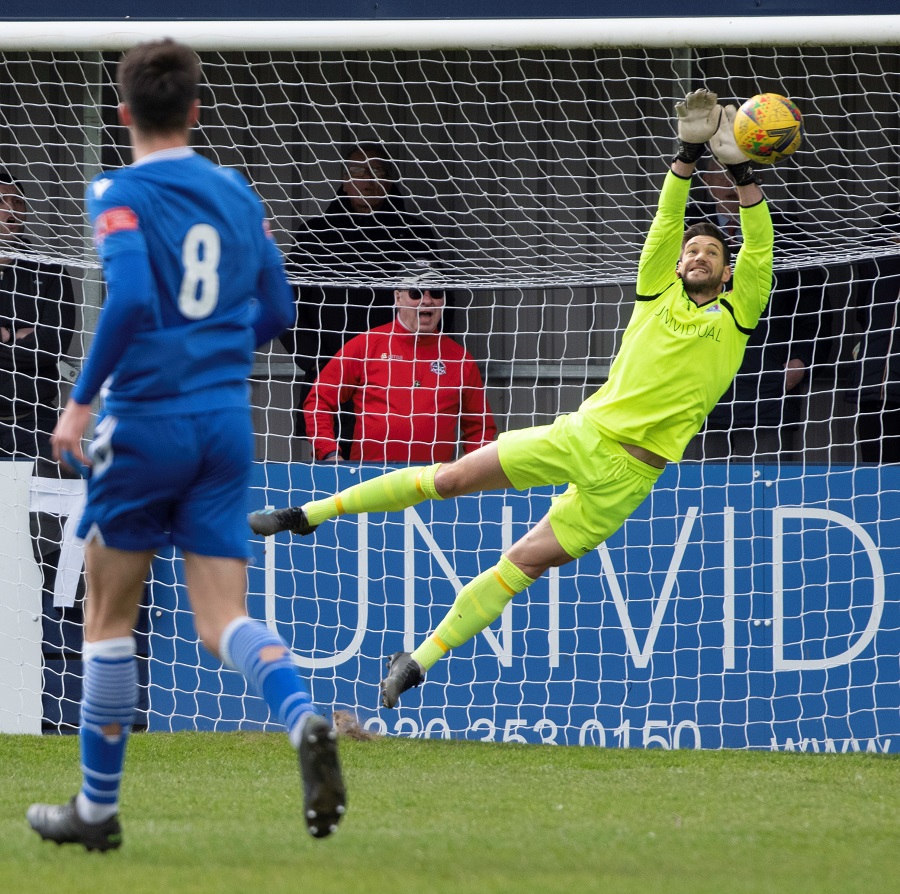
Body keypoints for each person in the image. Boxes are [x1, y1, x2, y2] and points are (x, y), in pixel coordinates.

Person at [249, 88, 775, 711]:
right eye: (692, 249)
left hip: (633, 476)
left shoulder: (738, 313)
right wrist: (686, 156)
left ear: (728, 270)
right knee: (448, 481)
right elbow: (666, 219)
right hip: (584, 436)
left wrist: (739, 172)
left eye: (710, 252)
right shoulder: (655, 291)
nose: (696, 254)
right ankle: (307, 514)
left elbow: (759, 240)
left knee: (523, 563)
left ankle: (417, 662)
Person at [26, 38, 345, 852]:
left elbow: (129, 293)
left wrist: (78, 403)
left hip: (145, 421)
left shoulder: (117, 190)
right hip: (223, 424)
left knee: (107, 617)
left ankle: (97, 811)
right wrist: (215, 346)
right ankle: (304, 715)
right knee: (223, 618)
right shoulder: (236, 194)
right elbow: (280, 305)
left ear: (124, 113)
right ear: (197, 110)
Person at [280, 144, 449, 456]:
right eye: (357, 172)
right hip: (330, 377)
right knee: (336, 481)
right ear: (343, 180)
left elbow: (437, 304)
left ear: (389, 181)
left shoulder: (415, 235)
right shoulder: (315, 235)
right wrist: (319, 363)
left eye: (376, 172)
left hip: (401, 382)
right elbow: (287, 305)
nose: (366, 180)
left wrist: (421, 367)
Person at [685, 159, 832, 461]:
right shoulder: (685, 230)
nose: (727, 180)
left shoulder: (788, 233)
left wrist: (801, 361)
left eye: (734, 170)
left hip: (768, 384)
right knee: (698, 490)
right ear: (705, 178)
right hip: (696, 384)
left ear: (754, 174)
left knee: (767, 491)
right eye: (719, 170)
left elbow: (814, 309)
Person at [304, 267, 496, 463]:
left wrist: (467, 473)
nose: (427, 300)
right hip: (370, 480)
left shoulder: (460, 359)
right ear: (398, 297)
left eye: (436, 293)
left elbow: (481, 427)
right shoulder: (367, 345)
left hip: (432, 483)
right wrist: (328, 452)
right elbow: (318, 399)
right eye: (416, 293)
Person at [0, 172, 76, 462]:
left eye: (17, 201)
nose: (11, 209)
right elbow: (35, 344)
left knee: (44, 504)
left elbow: (51, 345)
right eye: (2, 201)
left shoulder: (50, 271)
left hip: (35, 422)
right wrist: (14, 337)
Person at [848, 234, 900, 463]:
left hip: (880, 385)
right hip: (878, 388)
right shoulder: (882, 236)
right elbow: (863, 311)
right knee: (878, 481)